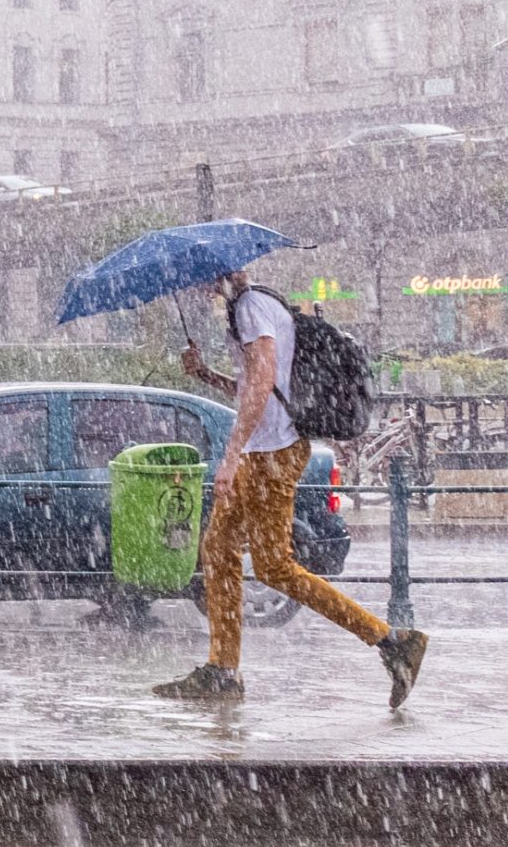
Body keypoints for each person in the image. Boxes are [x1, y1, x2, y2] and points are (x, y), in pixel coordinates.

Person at [159, 268, 428, 708]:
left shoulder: (250, 307)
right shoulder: (252, 306)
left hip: (272, 455)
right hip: (264, 453)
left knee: (274, 568)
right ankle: (222, 669)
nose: (198, 287)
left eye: (202, 279)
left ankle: (392, 640)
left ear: (220, 274)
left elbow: (263, 383)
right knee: (218, 549)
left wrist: (230, 455)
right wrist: (206, 375)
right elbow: (255, 387)